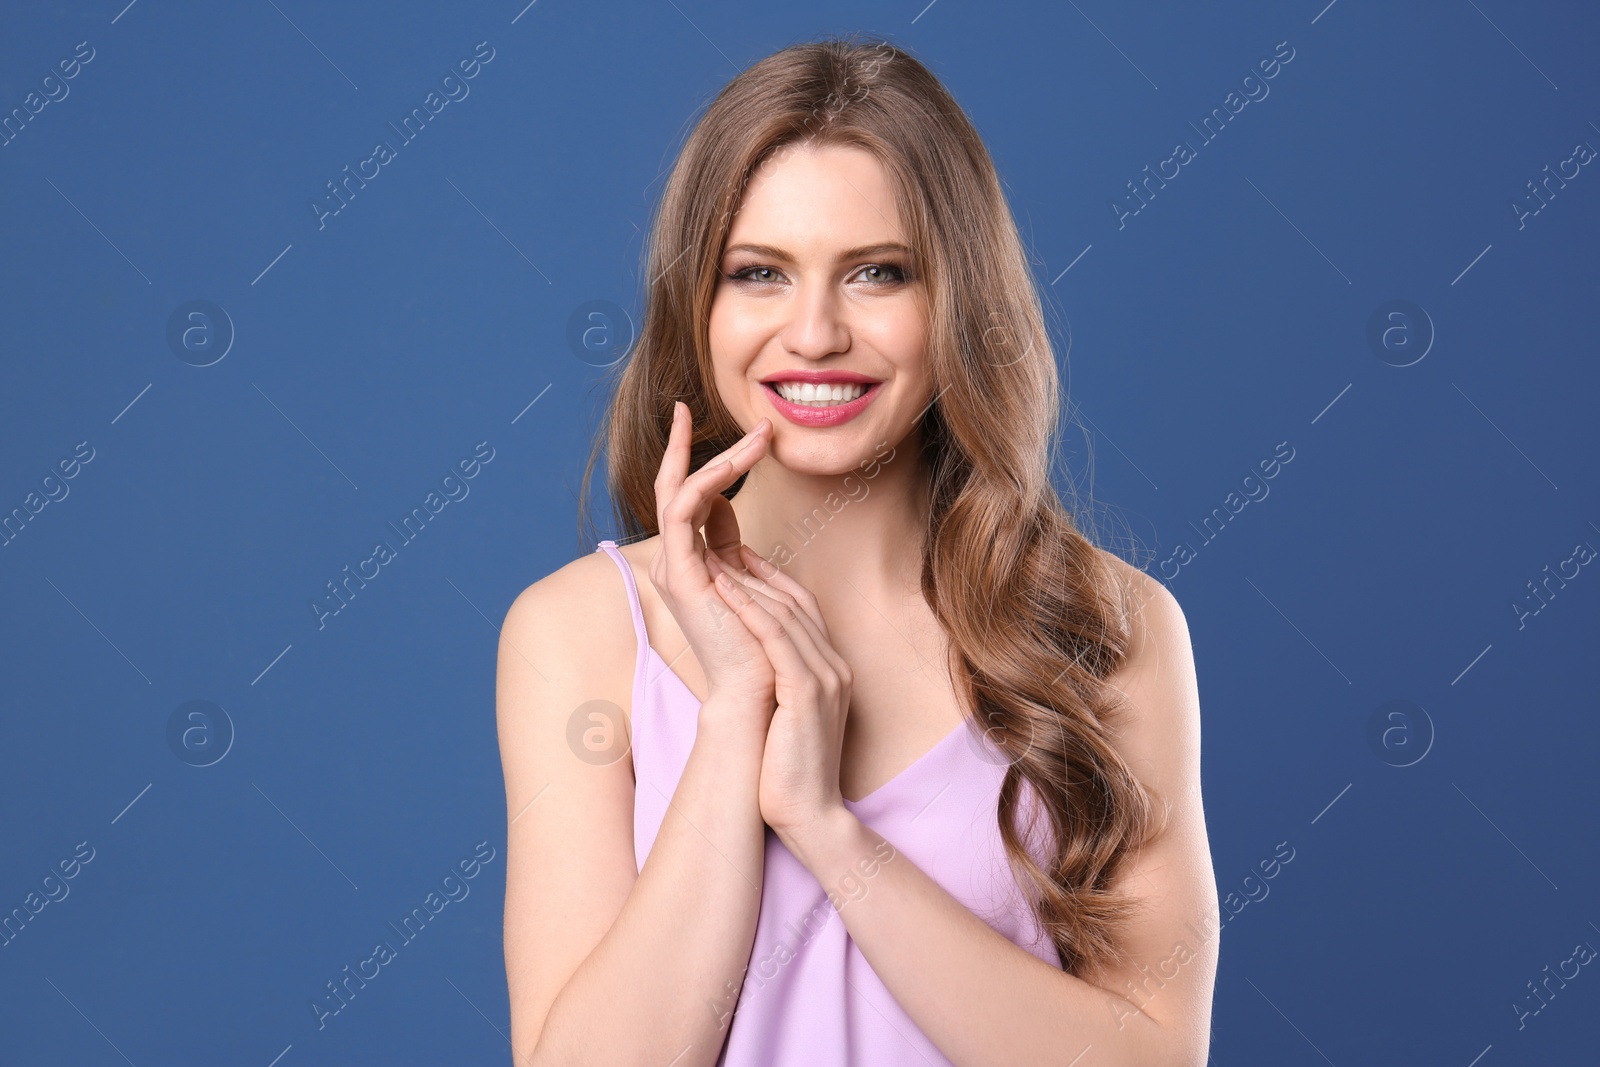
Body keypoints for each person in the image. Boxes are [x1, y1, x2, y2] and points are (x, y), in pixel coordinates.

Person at [497, 34, 1217, 1066]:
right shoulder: (576, 633)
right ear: (696, 307)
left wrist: (828, 830)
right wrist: (738, 716)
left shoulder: (1110, 628)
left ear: (957, 297)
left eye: (878, 273)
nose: (816, 331)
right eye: (759, 274)